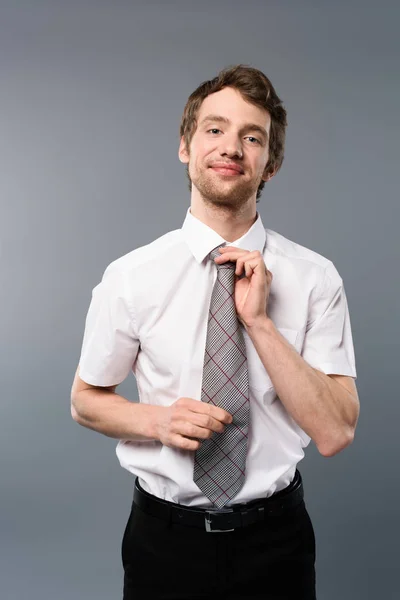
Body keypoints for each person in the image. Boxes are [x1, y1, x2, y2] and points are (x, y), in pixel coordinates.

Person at [71, 64, 360, 600]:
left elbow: (336, 432)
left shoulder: (316, 278)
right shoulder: (130, 276)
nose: (231, 147)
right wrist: (158, 421)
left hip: (277, 542)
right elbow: (85, 401)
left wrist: (260, 324)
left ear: (270, 164)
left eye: (252, 138)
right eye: (215, 129)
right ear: (186, 146)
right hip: (163, 542)